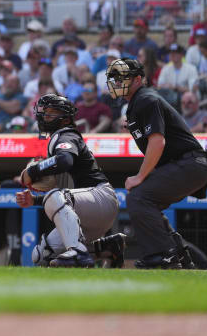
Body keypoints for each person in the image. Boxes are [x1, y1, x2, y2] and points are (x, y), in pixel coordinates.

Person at [106, 58, 207, 269]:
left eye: (123, 78)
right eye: (115, 79)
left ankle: (163, 254)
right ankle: (180, 254)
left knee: (138, 196)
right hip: (190, 164)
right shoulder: (137, 104)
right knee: (147, 203)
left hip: (190, 162)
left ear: (138, 79)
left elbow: (157, 142)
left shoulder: (146, 99)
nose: (118, 83)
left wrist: (139, 176)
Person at [15, 94, 125, 268]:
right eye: (45, 113)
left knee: (54, 196)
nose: (45, 117)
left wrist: (33, 171)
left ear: (65, 119)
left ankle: (77, 251)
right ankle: (107, 248)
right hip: (86, 208)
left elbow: (65, 161)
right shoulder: (57, 140)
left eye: (51, 114)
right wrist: (34, 200)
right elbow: (66, 193)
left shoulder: (66, 134)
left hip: (100, 197)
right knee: (41, 255)